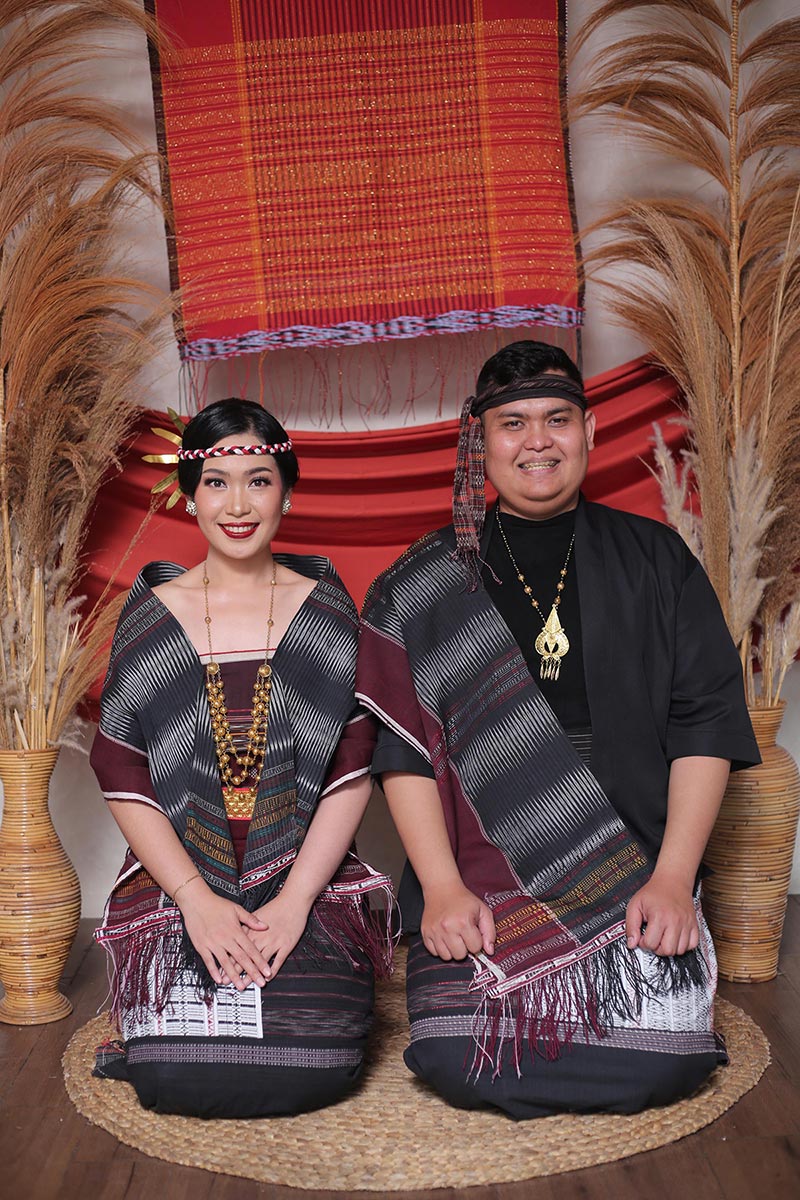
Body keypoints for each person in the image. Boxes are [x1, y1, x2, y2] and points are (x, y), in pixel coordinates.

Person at [357, 340, 759, 1119]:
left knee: (669, 1055)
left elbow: (704, 725)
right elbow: (401, 752)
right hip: (482, 871)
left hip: (629, 860)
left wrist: (673, 880)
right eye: (513, 423)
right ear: (480, 442)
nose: (537, 441)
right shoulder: (422, 582)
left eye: (557, 419)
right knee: (458, 1052)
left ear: (590, 431)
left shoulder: (658, 559)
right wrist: (441, 889)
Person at [91, 398, 392, 1118]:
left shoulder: (327, 611)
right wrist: (196, 902)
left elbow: (352, 768)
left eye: (259, 481)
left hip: (302, 870)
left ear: (286, 494)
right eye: (217, 483)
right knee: (174, 1072)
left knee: (318, 1057)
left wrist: (295, 903)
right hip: (180, 875)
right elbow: (122, 769)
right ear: (189, 496)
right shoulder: (152, 613)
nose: (237, 505)